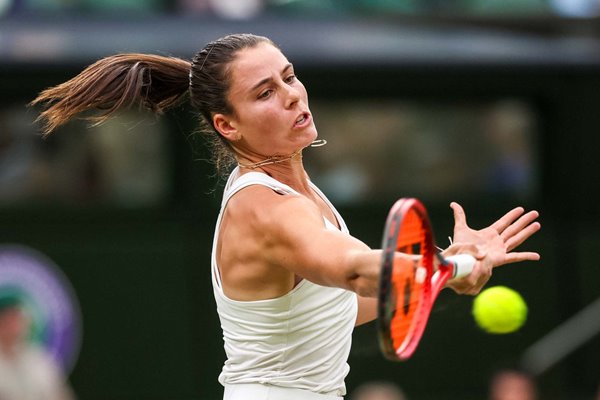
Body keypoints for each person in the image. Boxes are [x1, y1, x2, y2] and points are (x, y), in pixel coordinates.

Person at [30, 33, 541, 400]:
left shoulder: (306, 195)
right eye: (265, 93)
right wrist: (450, 268)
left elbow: (335, 308)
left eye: (289, 76)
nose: (292, 93)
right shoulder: (267, 208)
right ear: (227, 124)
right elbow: (355, 269)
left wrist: (445, 267)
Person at [0, 288, 75, 400]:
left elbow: (61, 395)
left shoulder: (40, 360)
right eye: (8, 320)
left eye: (17, 318)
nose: (14, 326)